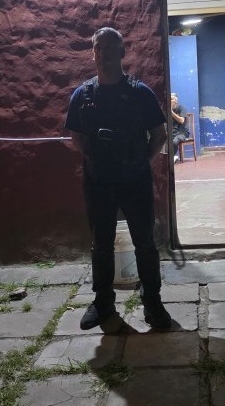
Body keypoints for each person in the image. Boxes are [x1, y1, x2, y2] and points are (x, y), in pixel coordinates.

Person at [65, 27, 172, 330]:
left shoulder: (140, 93)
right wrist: (98, 159)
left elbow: (160, 135)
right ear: (93, 53)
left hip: (135, 180)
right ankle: (103, 303)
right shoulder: (83, 95)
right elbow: (76, 137)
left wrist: (140, 162)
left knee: (145, 244)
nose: (104, 54)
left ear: (122, 52)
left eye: (111, 48)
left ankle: (152, 303)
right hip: (98, 181)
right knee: (101, 244)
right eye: (99, 48)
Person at [169, 93, 189, 163]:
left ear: (176, 101)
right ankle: (170, 158)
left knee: (174, 141)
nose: (169, 100)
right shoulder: (166, 109)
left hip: (182, 132)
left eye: (171, 99)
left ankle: (171, 158)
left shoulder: (181, 108)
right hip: (172, 132)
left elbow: (181, 121)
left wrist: (171, 112)